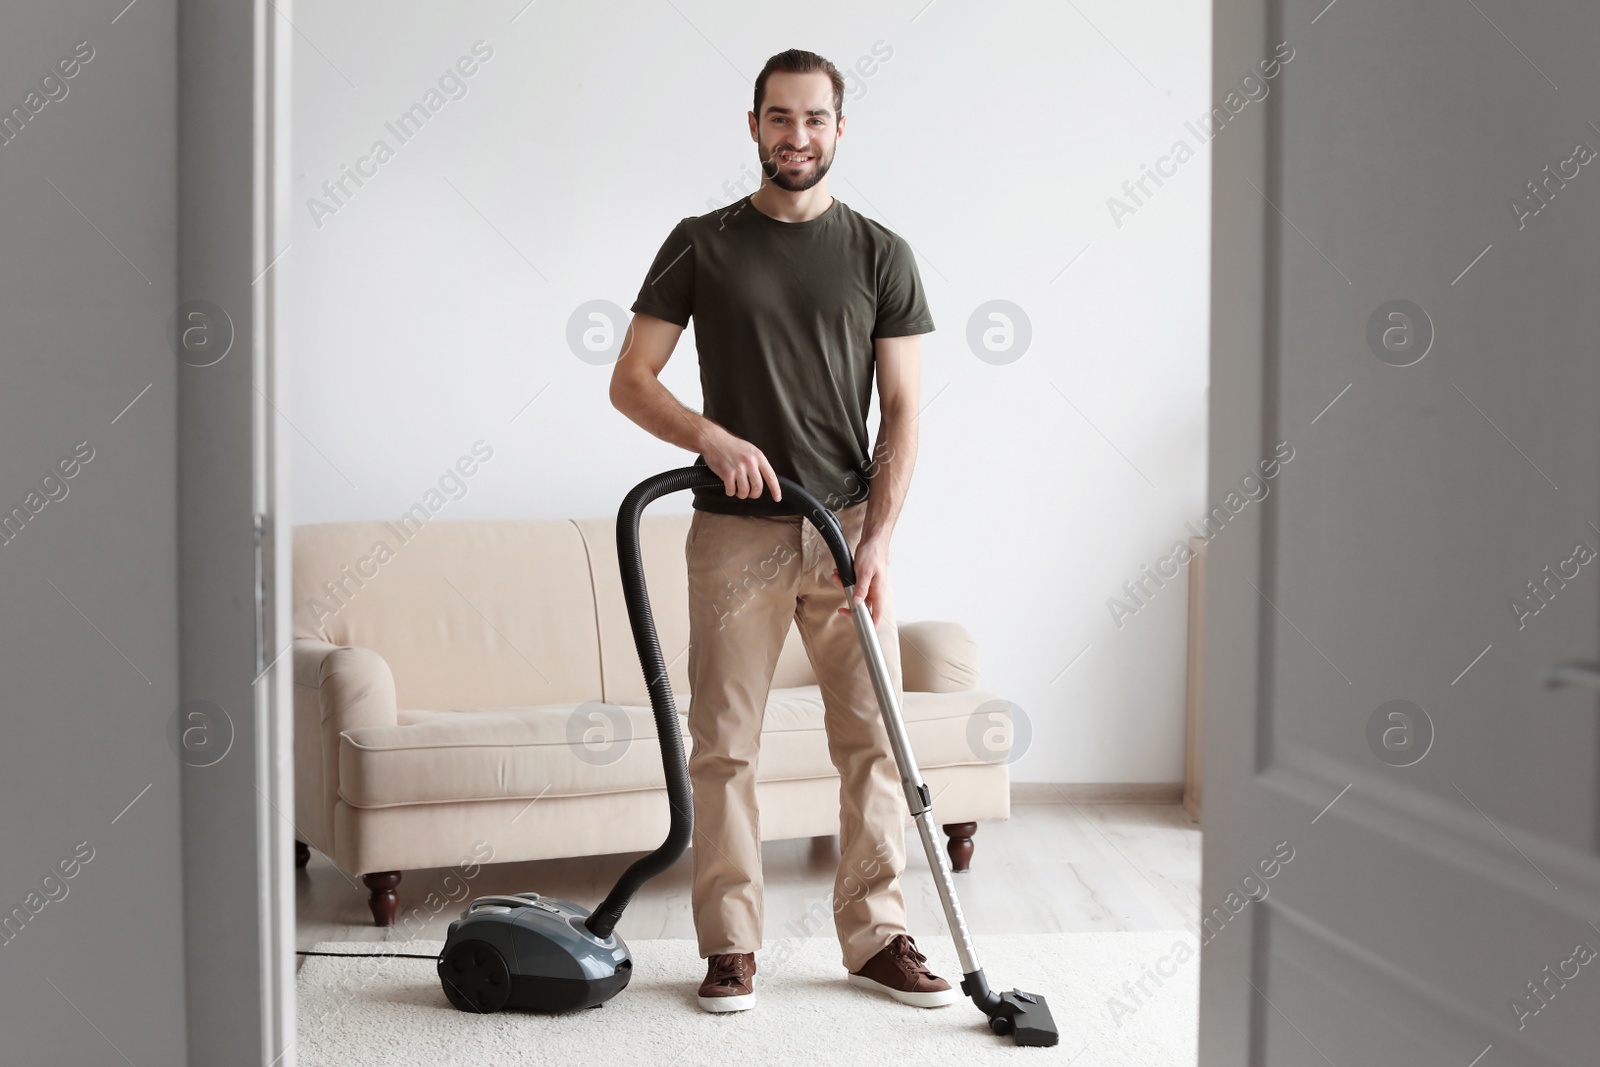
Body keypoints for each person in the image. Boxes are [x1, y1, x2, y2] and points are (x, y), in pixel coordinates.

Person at [609, 48, 952, 1015]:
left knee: (876, 740)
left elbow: (903, 410)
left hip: (844, 530)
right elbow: (630, 378)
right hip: (733, 536)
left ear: (840, 130)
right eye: (779, 118)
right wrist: (706, 434)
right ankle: (730, 948)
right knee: (722, 746)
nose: (795, 137)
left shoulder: (882, 252)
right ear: (752, 126)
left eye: (814, 119)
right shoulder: (698, 242)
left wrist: (878, 539)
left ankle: (877, 935)